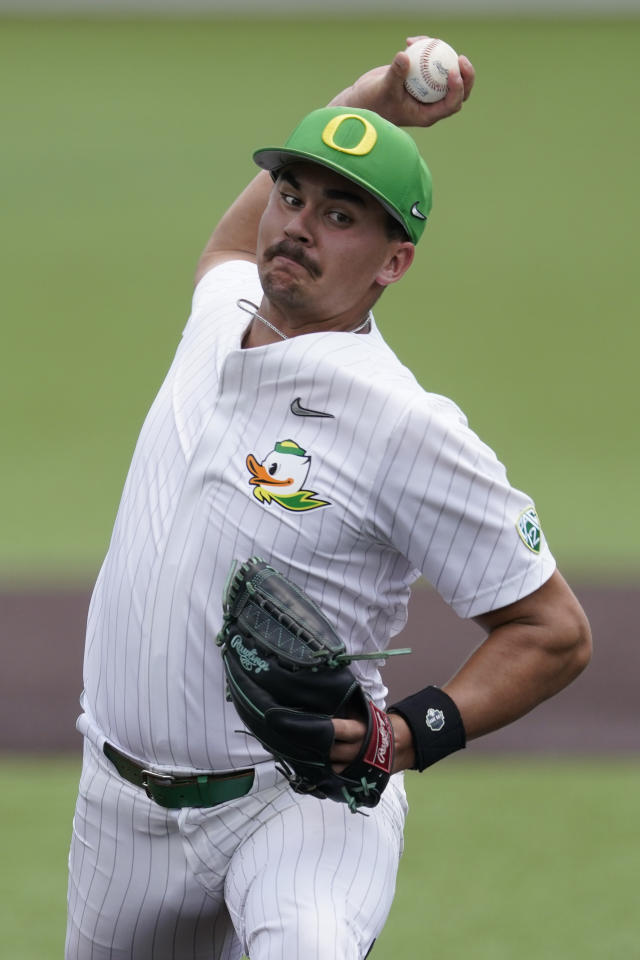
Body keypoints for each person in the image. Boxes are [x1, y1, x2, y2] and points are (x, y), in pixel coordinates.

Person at [66, 37, 591, 960]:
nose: (298, 227)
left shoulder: (404, 423)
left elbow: (553, 630)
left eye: (341, 214)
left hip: (298, 806)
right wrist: (372, 99)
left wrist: (403, 735)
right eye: (292, 196)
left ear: (394, 264)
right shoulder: (223, 310)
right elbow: (230, 243)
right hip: (118, 810)